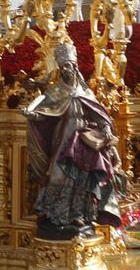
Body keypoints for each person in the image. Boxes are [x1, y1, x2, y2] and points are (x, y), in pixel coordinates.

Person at [23, 41, 124, 240]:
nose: (66, 69)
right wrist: (33, 116)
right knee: (58, 176)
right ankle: (55, 215)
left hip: (82, 141)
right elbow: (46, 113)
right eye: (63, 67)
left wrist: (105, 130)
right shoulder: (55, 92)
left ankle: (79, 215)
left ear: (75, 68)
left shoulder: (86, 93)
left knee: (82, 179)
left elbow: (99, 115)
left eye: (69, 66)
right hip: (62, 138)